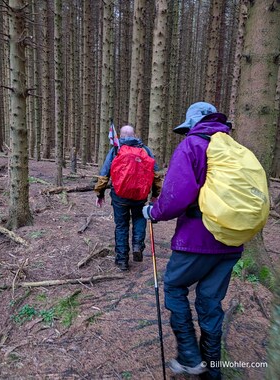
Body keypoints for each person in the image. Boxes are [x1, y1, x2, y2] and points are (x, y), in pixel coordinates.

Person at [142, 102, 243, 380]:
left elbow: (176, 196)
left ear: (193, 124)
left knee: (174, 286)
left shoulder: (193, 145)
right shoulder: (233, 147)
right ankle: (212, 371)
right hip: (232, 240)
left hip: (199, 239)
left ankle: (189, 356)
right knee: (210, 300)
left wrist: (153, 211)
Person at [94, 125, 162, 272]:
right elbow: (156, 175)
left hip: (119, 197)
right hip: (140, 196)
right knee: (139, 218)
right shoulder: (145, 150)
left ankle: (122, 260)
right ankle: (137, 244)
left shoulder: (116, 150)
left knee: (121, 226)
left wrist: (100, 193)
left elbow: (104, 173)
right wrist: (155, 195)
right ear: (135, 135)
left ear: (121, 136)